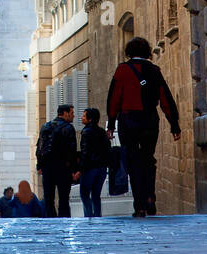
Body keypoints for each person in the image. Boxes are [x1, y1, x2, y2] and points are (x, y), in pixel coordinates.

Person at [106, 36, 181, 218]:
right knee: (148, 159)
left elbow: (114, 98)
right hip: (149, 121)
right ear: (147, 51)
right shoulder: (154, 70)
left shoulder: (122, 70)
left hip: (128, 121)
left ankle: (139, 205)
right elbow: (165, 98)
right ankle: (150, 197)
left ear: (129, 52)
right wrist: (174, 125)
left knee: (133, 162)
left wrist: (111, 123)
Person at [36, 103, 79, 217]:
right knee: (64, 198)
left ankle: (51, 220)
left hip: (47, 167)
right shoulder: (68, 128)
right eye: (71, 113)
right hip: (63, 167)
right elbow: (72, 150)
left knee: (48, 198)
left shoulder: (45, 126)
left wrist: (39, 165)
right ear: (65, 113)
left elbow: (39, 147)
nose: (73, 116)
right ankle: (63, 221)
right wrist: (74, 169)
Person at [78, 107, 111, 218]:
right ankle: (97, 216)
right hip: (101, 168)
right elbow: (107, 149)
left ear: (90, 119)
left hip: (90, 169)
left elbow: (85, 153)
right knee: (96, 195)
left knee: (84, 194)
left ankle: (89, 217)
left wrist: (80, 170)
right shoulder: (102, 132)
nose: (82, 117)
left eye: (84, 115)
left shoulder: (86, 132)